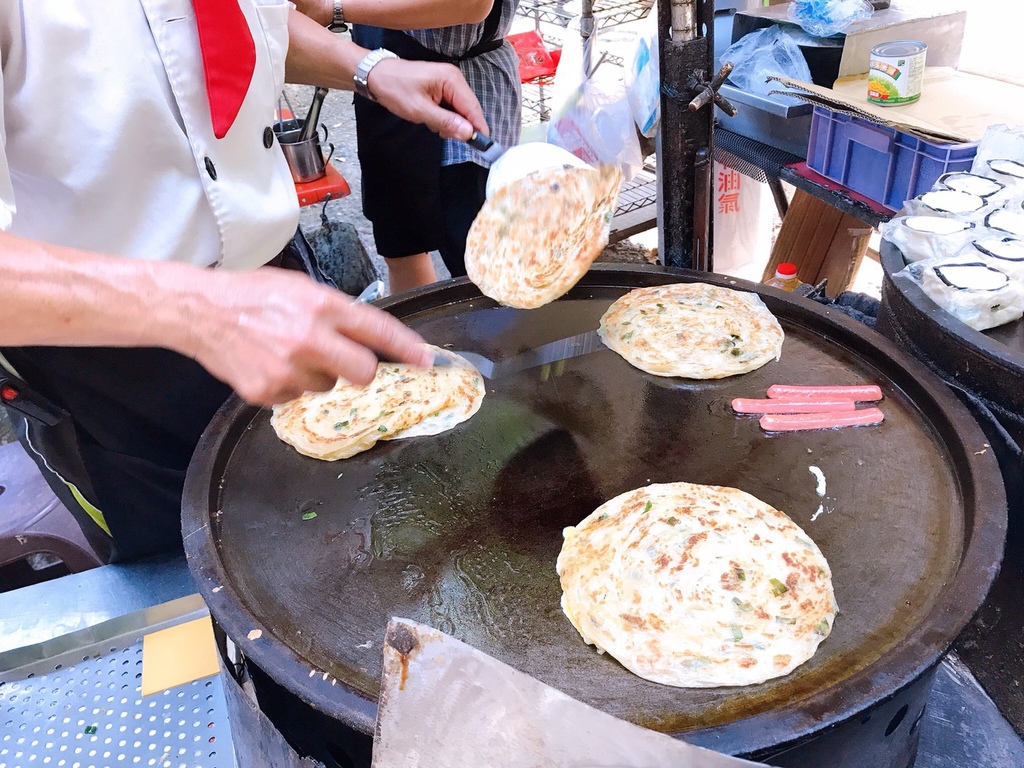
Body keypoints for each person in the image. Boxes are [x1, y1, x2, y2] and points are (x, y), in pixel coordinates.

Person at [0, 2, 489, 562]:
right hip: (106, 359)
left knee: (344, 533)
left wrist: (366, 67)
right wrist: (197, 309)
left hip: (273, 285)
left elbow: (241, 23)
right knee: (197, 571)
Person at [296, 0, 522, 293]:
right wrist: (372, 71)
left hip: (459, 69)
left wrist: (334, 7)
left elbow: (472, 3)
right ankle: (417, 338)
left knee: (478, 265)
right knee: (401, 245)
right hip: (378, 54)